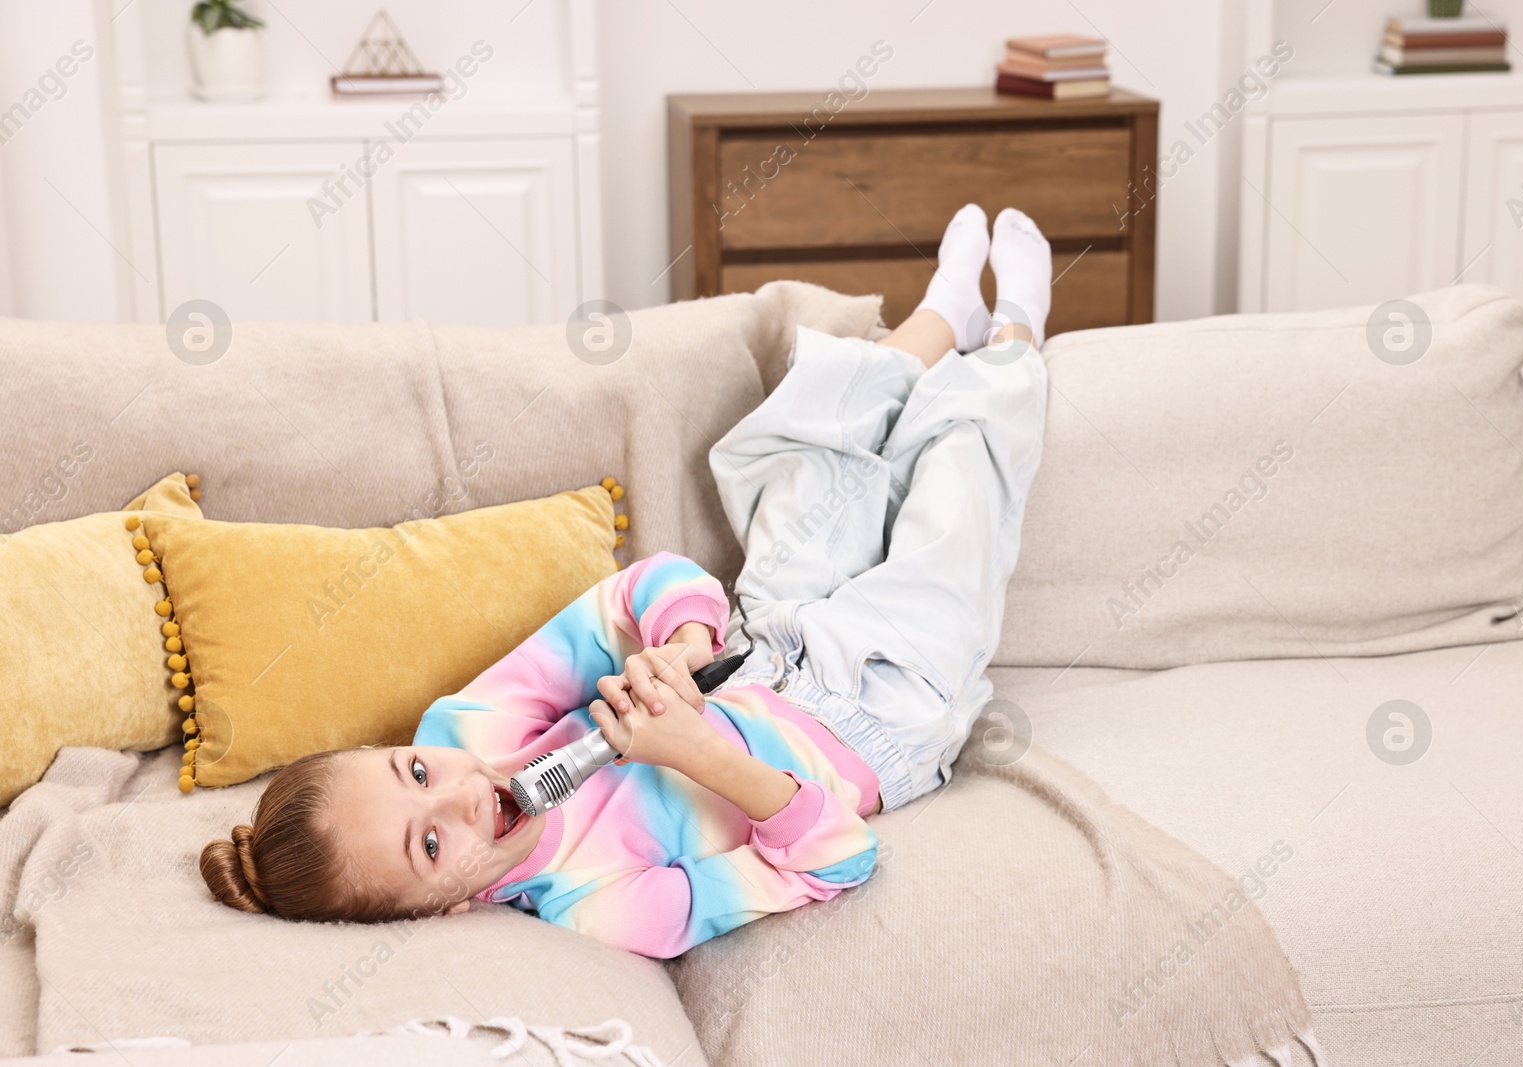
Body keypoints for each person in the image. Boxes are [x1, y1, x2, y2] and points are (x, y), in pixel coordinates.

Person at [198, 204, 1052, 959]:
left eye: (415, 772)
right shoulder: (597, 904)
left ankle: (944, 316)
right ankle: (1015, 332)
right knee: (955, 497)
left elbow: (638, 589)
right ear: (447, 909)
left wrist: (681, 648)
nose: (461, 794)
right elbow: (838, 856)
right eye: (428, 846)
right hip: (878, 718)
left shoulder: (468, 725)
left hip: (757, 652)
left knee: (800, 466)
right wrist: (697, 752)